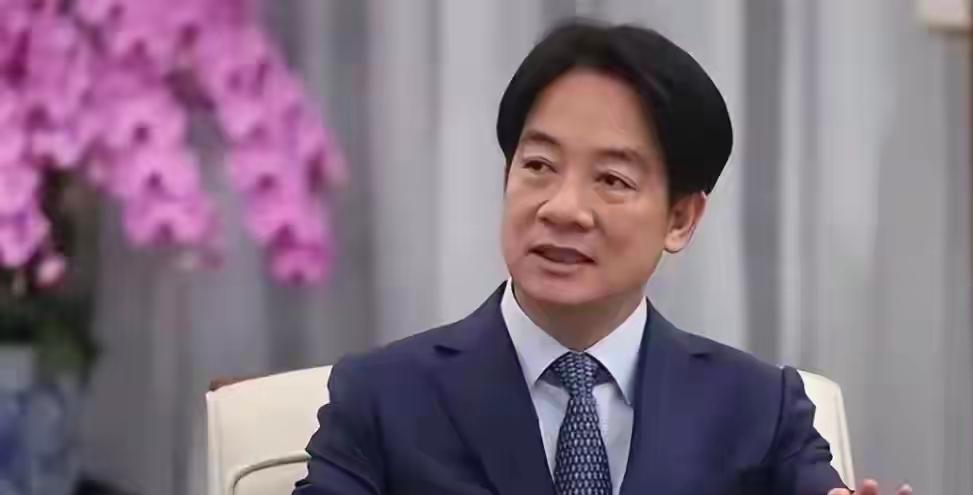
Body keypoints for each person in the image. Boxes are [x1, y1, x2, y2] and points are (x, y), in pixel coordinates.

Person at [293, 20, 911, 495]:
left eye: (612, 180)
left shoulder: (760, 409)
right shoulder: (382, 398)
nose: (563, 208)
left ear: (680, 218)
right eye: (539, 165)